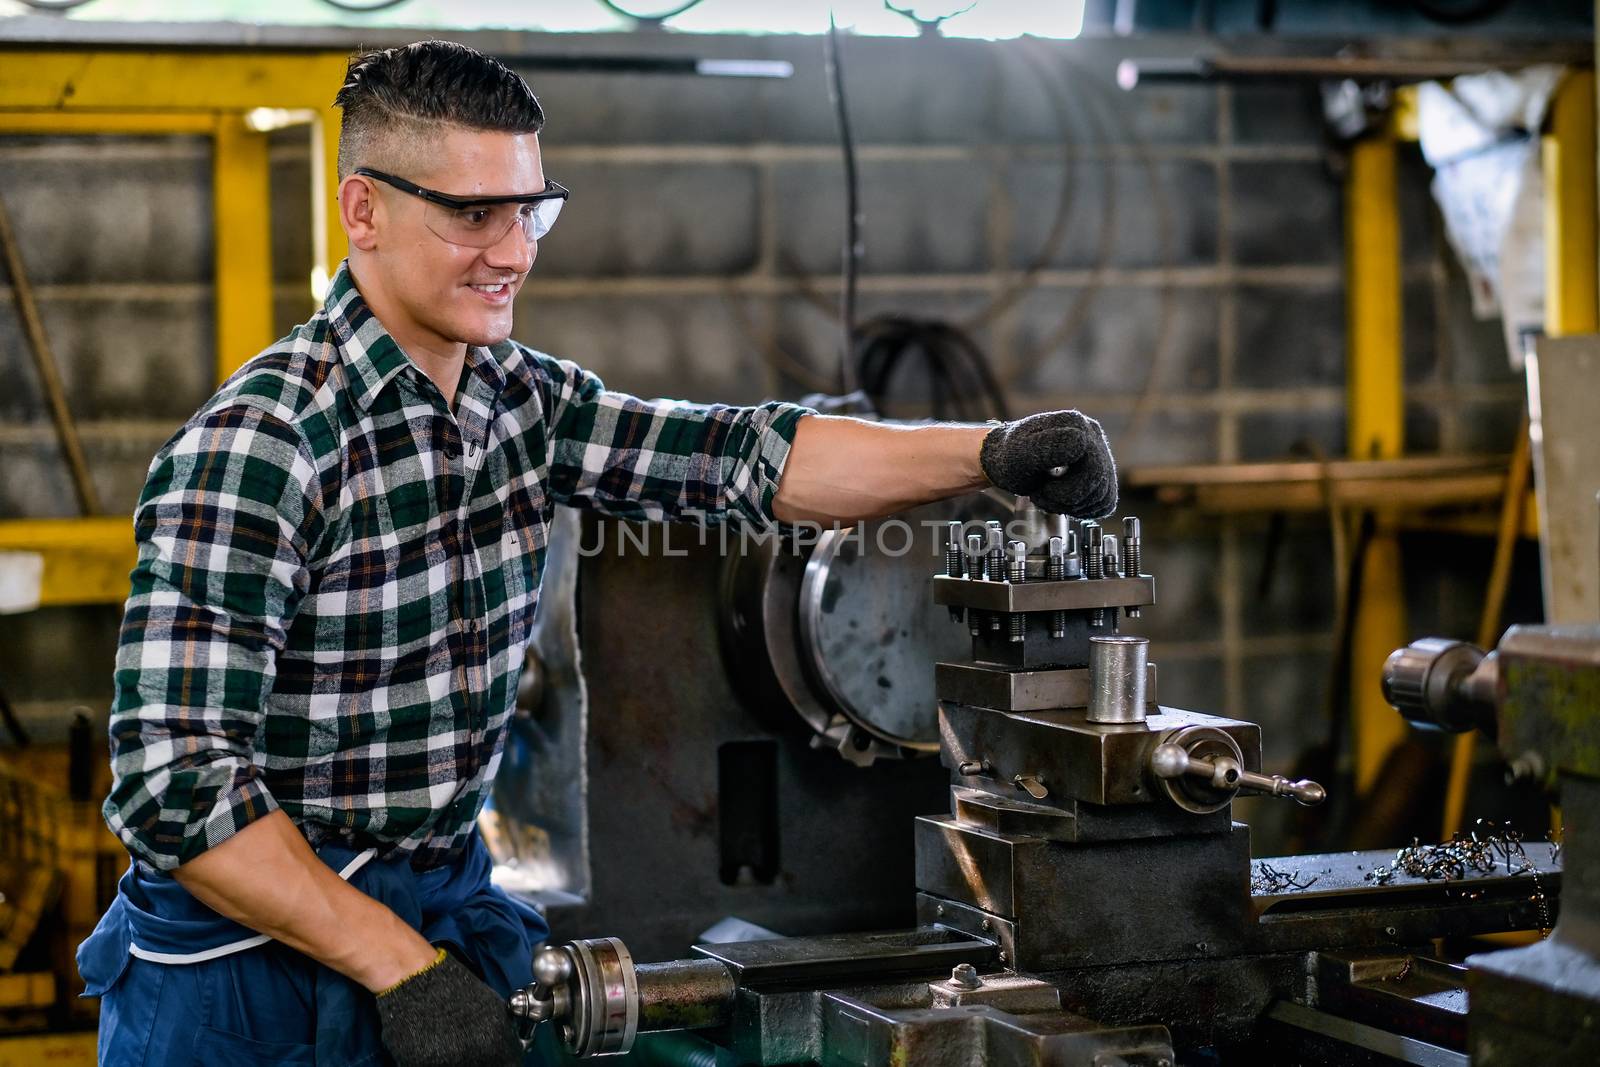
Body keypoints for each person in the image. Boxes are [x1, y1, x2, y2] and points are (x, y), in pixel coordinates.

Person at [76, 39, 1118, 1067]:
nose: (513, 249)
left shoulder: (521, 401)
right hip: (246, 970)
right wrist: (400, 966)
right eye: (471, 213)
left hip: (434, 904)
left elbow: (742, 457)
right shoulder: (268, 443)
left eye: (528, 208)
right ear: (364, 210)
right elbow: (175, 783)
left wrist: (992, 451)